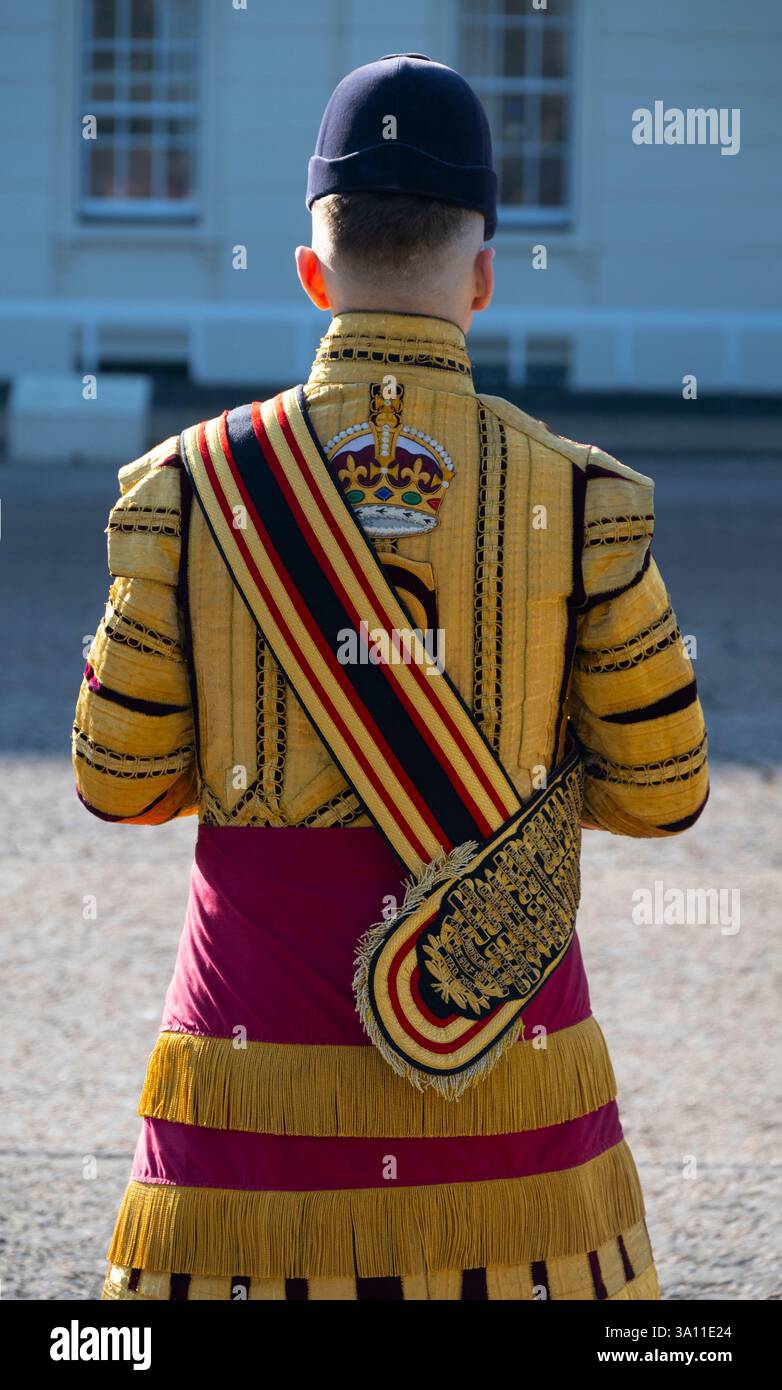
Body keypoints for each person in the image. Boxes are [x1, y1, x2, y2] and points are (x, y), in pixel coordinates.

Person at [74, 55, 708, 1302]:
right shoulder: (585, 499)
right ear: (481, 279)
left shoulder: (186, 490)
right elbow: (661, 792)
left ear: (311, 273)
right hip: (503, 1069)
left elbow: (117, 781)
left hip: (247, 1078)